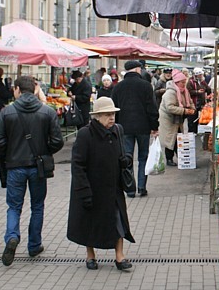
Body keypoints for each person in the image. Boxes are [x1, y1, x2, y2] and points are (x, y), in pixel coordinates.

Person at [0, 75, 64, 266]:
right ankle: (34, 245)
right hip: (38, 167)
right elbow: (58, 141)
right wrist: (44, 151)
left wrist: (10, 153)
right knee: (37, 206)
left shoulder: (7, 112)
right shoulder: (47, 112)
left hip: (15, 167)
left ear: (17, 89)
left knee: (14, 206)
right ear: (34, 90)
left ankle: (12, 237)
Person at [67, 97, 135, 272]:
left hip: (113, 188)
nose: (111, 118)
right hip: (92, 187)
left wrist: (125, 160)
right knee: (90, 223)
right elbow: (78, 165)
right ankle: (90, 255)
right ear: (97, 116)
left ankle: (120, 257)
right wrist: (83, 190)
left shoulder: (117, 130)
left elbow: (125, 154)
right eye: (107, 115)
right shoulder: (85, 134)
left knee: (118, 221)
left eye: (113, 114)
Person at [111, 60, 160, 198]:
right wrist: (154, 126)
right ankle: (141, 187)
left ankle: (130, 188)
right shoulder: (145, 86)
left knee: (127, 158)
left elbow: (114, 109)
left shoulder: (118, 87)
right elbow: (152, 108)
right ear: (138, 70)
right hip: (143, 127)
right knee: (143, 157)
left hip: (124, 128)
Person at [160, 70, 195, 166]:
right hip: (169, 119)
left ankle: (181, 157)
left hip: (178, 118)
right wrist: (184, 111)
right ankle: (169, 159)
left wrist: (192, 108)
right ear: (177, 82)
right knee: (171, 139)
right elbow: (169, 107)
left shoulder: (185, 91)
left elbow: (190, 102)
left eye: (185, 82)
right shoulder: (170, 93)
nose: (184, 84)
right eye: (182, 82)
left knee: (179, 137)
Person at [187, 67, 211, 134]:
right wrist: (197, 92)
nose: (201, 76)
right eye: (199, 75)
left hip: (201, 103)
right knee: (192, 119)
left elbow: (208, 90)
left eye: (201, 75)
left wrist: (204, 82)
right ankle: (191, 133)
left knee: (198, 119)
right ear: (195, 75)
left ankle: (196, 132)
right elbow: (188, 92)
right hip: (193, 103)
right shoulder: (190, 82)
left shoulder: (202, 81)